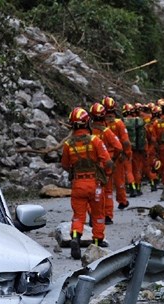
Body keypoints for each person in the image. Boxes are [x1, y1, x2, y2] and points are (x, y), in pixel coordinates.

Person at [61, 107, 113, 259]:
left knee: (78, 216)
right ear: (87, 123)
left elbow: (65, 164)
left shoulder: (68, 144)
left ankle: (76, 237)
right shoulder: (95, 141)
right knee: (98, 215)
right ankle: (96, 244)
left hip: (78, 184)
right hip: (94, 183)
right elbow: (108, 161)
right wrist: (106, 175)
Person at [89, 102, 124, 225]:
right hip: (106, 164)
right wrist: (113, 159)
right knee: (107, 191)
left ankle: (94, 215)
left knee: (92, 191)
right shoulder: (106, 131)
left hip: (92, 166)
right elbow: (119, 147)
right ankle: (107, 216)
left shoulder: (88, 132)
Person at [102, 96, 134, 209]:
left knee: (105, 182)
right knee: (119, 179)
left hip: (103, 157)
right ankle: (122, 200)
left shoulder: (100, 125)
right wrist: (128, 153)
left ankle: (104, 204)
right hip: (117, 155)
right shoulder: (118, 123)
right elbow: (125, 141)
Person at [122, 103, 147, 198]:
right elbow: (144, 137)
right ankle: (138, 187)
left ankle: (131, 187)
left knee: (128, 169)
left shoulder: (121, 122)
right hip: (138, 149)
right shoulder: (140, 121)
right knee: (137, 169)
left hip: (126, 149)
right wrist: (144, 149)